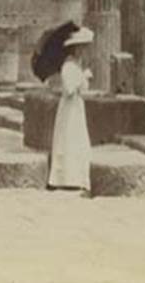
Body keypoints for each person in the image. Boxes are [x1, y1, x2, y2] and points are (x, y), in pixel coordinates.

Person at [47, 25, 93, 193]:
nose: (85, 51)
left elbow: (82, 89)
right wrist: (82, 77)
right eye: (82, 47)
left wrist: (84, 77)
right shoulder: (68, 66)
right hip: (69, 107)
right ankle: (65, 177)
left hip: (77, 106)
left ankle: (78, 177)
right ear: (76, 48)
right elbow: (69, 89)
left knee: (78, 139)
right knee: (68, 138)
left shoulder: (76, 65)